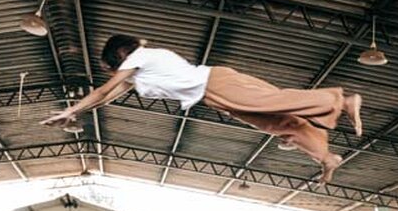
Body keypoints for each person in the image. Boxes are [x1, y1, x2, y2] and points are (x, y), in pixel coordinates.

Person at [44, 34, 363, 183]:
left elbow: (103, 89)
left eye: (112, 67)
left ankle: (342, 101)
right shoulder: (139, 74)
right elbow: (104, 98)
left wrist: (69, 109)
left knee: (274, 102)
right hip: (211, 96)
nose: (113, 74)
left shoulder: (139, 58)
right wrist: (77, 111)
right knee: (276, 124)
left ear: (119, 58)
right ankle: (325, 156)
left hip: (215, 81)